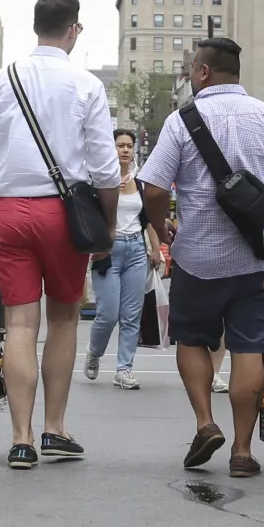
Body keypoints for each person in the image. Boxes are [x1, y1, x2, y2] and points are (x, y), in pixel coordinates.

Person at [0, 0, 119, 470]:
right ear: (73, 30)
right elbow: (105, 169)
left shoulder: (3, 81)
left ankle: (19, 439)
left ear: (35, 26)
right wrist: (105, 227)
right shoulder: (86, 85)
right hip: (65, 218)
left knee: (20, 324)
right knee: (63, 321)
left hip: (11, 214)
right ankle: (54, 430)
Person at [139, 38, 264, 476]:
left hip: (198, 259)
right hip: (260, 259)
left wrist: (160, 225)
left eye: (190, 70)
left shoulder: (181, 121)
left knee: (191, 340)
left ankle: (205, 423)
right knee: (249, 352)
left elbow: (153, 188)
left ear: (203, 72)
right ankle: (242, 451)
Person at [84, 128, 161, 391]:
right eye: (120, 145)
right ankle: (94, 352)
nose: (125, 150)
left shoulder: (139, 182)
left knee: (131, 315)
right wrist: (108, 194)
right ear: (111, 148)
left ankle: (124, 370)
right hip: (108, 252)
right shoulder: (99, 180)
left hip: (136, 251)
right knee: (108, 314)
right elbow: (88, 216)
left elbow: (146, 218)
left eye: (129, 146)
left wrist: (155, 248)